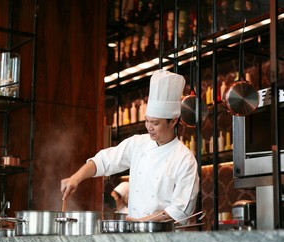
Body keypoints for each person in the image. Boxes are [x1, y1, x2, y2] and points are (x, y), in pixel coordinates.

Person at [61, 69, 199, 224]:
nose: (149, 127)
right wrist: (75, 178)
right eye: (147, 121)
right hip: (134, 233)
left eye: (155, 123)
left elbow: (180, 210)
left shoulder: (184, 159)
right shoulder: (138, 144)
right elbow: (103, 161)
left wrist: (142, 222)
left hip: (164, 237)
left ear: (173, 121)